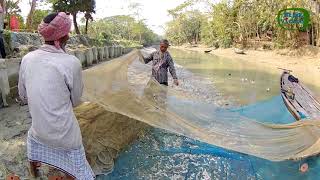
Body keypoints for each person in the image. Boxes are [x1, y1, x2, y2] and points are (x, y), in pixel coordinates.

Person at [18, 12, 94, 179]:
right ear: (65, 35)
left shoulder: (27, 59)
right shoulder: (71, 62)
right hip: (66, 137)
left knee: (32, 137)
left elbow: (22, 96)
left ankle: (34, 173)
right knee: (78, 165)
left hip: (39, 132)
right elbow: (75, 101)